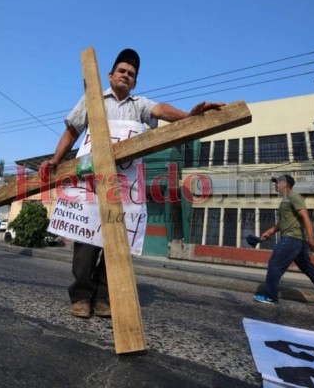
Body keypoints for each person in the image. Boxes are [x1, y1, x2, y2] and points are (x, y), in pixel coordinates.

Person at [40, 48, 225, 318]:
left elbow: (160, 110)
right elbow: (72, 130)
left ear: (135, 82)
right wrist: (55, 160)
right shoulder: (92, 100)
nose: (126, 76)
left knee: (117, 242)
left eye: (132, 74)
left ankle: (103, 297)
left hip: (125, 185)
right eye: (122, 71)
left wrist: (188, 116)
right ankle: (81, 296)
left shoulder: (139, 105)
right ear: (110, 75)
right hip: (91, 182)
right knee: (86, 242)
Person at [253, 174, 314, 311]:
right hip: (297, 241)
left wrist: (312, 239)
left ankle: (270, 296)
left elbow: (305, 217)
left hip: (292, 239)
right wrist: (270, 231)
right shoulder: (285, 201)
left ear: (285, 184)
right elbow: (284, 222)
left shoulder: (294, 197)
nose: (275, 185)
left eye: (277, 183)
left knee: (275, 263)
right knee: (311, 271)